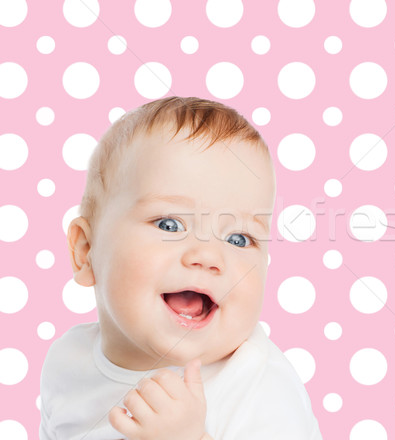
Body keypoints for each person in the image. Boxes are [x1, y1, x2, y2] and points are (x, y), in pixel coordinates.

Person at [39, 97, 323, 440]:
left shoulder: (259, 389)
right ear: (86, 252)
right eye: (170, 224)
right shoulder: (69, 364)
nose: (207, 256)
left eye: (237, 239)